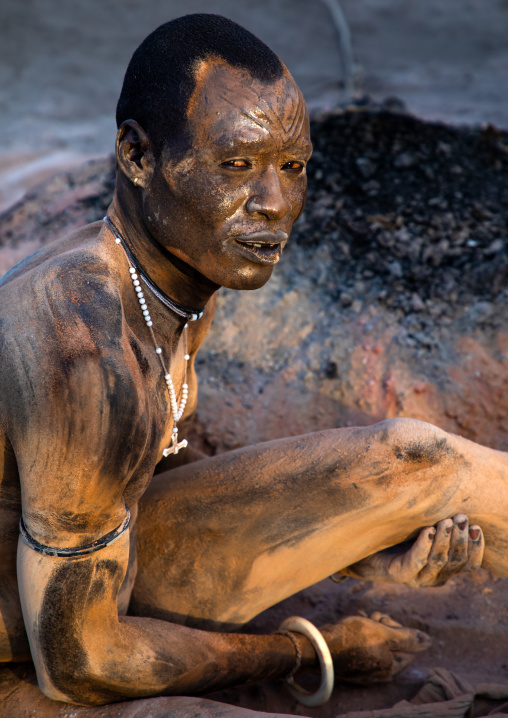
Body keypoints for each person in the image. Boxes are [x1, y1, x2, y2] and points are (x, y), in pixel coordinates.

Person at [0, 14, 498, 709]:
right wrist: (314, 648)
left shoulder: (183, 273)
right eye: (236, 165)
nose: (273, 204)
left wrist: (359, 552)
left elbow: (145, 478)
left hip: (111, 575)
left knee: (416, 460)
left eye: (291, 167)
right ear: (137, 156)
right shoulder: (84, 349)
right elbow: (80, 665)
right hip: (35, 660)